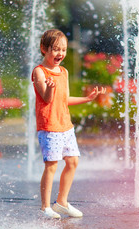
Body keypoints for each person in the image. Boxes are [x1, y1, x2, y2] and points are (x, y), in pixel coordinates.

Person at [32, 29, 106, 219]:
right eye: (55, 49)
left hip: (65, 125)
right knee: (51, 165)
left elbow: (63, 99)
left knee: (73, 161)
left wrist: (87, 99)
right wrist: (49, 87)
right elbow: (47, 99)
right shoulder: (39, 72)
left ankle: (62, 203)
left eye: (63, 50)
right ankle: (45, 207)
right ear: (43, 49)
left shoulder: (63, 72)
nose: (60, 54)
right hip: (50, 126)